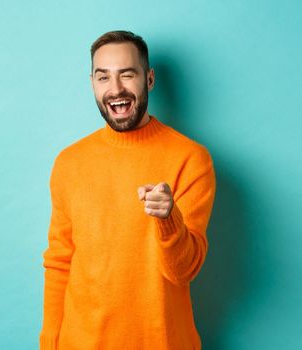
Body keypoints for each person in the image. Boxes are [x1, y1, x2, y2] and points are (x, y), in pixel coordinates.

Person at [39, 30, 216, 349]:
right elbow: (59, 261)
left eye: (127, 74)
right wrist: (49, 341)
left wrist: (168, 219)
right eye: (103, 77)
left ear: (149, 79)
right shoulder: (69, 162)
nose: (115, 89)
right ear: (91, 82)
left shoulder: (190, 159)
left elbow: (184, 271)